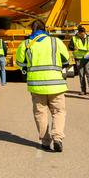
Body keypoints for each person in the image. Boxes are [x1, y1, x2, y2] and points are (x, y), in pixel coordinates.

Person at [14, 20, 71, 151]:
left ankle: (45, 142)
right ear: (45, 29)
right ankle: (57, 138)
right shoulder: (55, 42)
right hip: (56, 84)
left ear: (32, 30)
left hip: (36, 85)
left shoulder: (26, 44)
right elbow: (66, 60)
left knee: (40, 113)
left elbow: (19, 63)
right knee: (58, 111)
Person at [71, 26, 89, 96]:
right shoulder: (74, 38)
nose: (81, 35)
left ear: (85, 32)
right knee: (81, 75)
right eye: (80, 33)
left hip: (87, 59)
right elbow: (70, 46)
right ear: (78, 33)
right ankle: (83, 90)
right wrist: (73, 47)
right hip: (78, 59)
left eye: (82, 33)